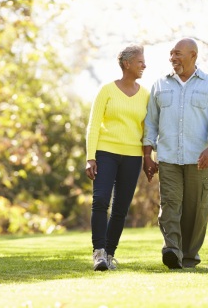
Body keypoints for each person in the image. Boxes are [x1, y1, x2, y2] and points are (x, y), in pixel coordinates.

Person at [143, 38, 208, 269]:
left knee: (196, 209)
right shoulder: (160, 85)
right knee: (170, 204)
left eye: (178, 54)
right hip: (168, 158)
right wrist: (147, 155)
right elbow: (150, 123)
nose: (173, 58)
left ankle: (189, 256)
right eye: (171, 54)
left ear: (193, 55)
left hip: (199, 158)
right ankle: (172, 249)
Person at [85, 44, 151, 271]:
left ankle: (110, 255)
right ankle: (99, 253)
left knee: (121, 208)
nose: (144, 65)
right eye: (140, 61)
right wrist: (90, 157)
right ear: (127, 64)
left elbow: (147, 129)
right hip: (106, 153)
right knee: (101, 200)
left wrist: (148, 157)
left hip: (132, 156)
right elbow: (93, 125)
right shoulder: (106, 90)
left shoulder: (145, 95)